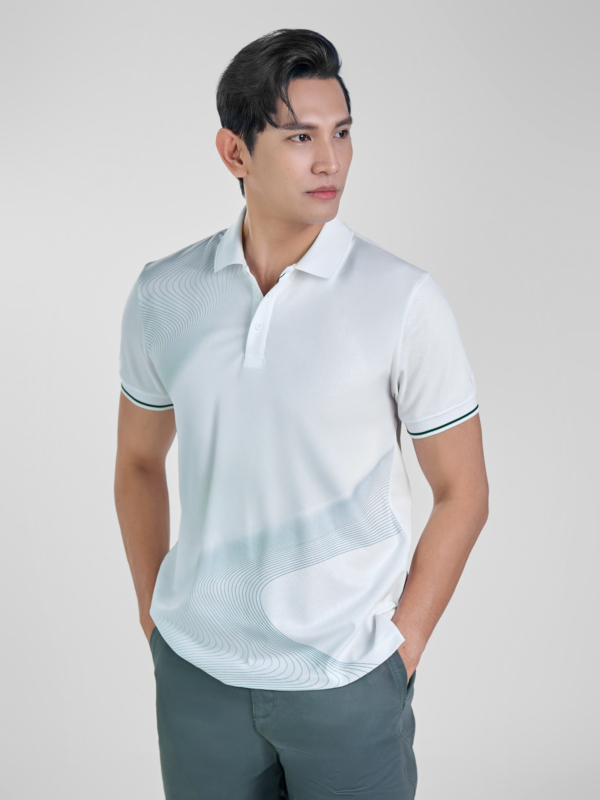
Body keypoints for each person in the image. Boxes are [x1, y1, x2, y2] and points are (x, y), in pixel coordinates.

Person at [114, 27, 489, 800]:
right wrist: (157, 624)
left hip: (349, 684)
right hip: (198, 680)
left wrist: (402, 648)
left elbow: (464, 491)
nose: (331, 161)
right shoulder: (165, 293)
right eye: (299, 137)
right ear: (235, 152)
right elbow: (138, 462)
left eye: (342, 133)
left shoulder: (403, 299)